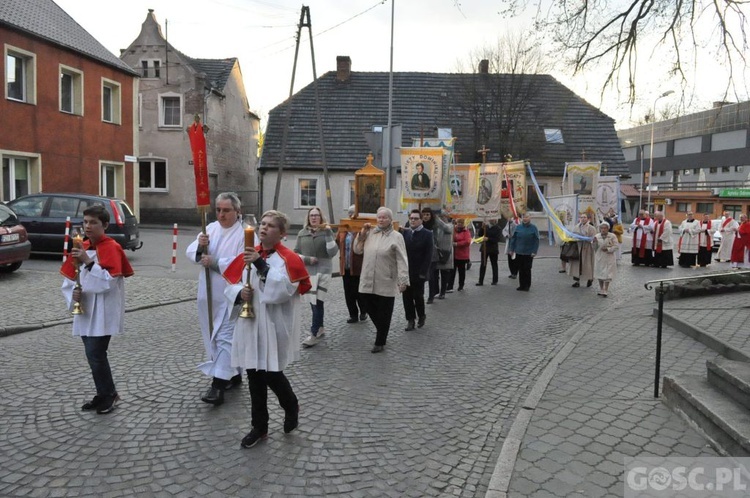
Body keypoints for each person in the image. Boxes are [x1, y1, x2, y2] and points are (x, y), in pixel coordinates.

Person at [223, 210, 312, 448]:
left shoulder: (288, 259)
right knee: (253, 374)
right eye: (262, 224)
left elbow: (283, 290)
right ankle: (259, 426)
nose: (263, 228)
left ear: (282, 233)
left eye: (271, 225)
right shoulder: (249, 255)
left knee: (272, 372)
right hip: (250, 322)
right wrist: (238, 293)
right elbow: (231, 284)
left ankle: (290, 404)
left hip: (273, 323)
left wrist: (261, 264)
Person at [61, 205, 134, 414]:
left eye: (93, 222)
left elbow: (107, 284)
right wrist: (72, 294)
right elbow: (68, 280)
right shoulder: (80, 246)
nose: (88, 226)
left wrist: (88, 261)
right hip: (85, 310)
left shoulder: (112, 247)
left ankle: (109, 395)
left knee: (96, 353)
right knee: (93, 355)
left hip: (103, 311)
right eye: (85, 222)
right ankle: (104, 393)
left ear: (105, 225)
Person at [186, 192, 246, 406]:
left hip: (231, 293)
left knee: (225, 337)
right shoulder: (209, 229)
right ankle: (235, 374)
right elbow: (191, 252)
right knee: (213, 333)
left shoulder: (244, 234)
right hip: (208, 292)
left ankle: (218, 386)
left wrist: (216, 261)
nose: (221, 214)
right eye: (218, 210)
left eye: (226, 210)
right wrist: (201, 246)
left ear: (237, 212)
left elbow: (242, 263)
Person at [354, 207, 409, 353]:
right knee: (367, 303)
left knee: (384, 311)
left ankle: (380, 342)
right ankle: (382, 329)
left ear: (390, 220)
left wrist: (403, 280)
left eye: (385, 217)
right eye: (379, 217)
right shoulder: (370, 232)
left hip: (386, 279)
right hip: (367, 277)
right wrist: (361, 235)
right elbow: (357, 250)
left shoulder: (397, 236)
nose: (381, 219)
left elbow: (402, 260)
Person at [294, 206, 338, 348]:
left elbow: (332, 252)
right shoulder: (302, 233)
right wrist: (306, 259)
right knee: (316, 302)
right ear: (308, 217)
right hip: (309, 273)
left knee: (317, 302)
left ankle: (313, 334)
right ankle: (320, 328)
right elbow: (295, 253)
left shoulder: (326, 231)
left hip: (323, 271)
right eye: (311, 215)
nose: (314, 218)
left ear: (321, 217)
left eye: (316, 215)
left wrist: (328, 233)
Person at [400, 209, 433, 331]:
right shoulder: (405, 233)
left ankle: (421, 315)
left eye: (415, 218)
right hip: (406, 272)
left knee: (418, 296)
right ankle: (410, 320)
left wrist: (423, 273)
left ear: (421, 220)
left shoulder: (427, 234)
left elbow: (428, 255)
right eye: (411, 218)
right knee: (406, 297)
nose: (413, 220)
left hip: (419, 272)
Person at [337, 205, 366, 324]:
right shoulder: (343, 229)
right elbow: (337, 242)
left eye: (353, 214)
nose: (351, 216)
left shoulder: (361, 229)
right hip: (346, 266)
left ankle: (363, 311)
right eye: (349, 214)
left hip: (358, 267)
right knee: (348, 293)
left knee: (359, 291)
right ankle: (353, 314)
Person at [422, 207, 453, 302]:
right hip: (421, 253)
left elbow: (448, 229)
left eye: (428, 215)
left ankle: (431, 296)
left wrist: (437, 218)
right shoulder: (419, 222)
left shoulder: (435, 223)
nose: (425, 217)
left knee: (432, 276)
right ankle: (422, 294)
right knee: (422, 276)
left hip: (433, 252)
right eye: (424, 215)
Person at [508, 212, 539, 291]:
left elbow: (536, 240)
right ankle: (521, 285)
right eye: (524, 217)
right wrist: (512, 249)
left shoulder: (534, 228)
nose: (525, 219)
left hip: (529, 252)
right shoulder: (518, 227)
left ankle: (527, 286)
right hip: (519, 251)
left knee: (527, 269)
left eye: (527, 217)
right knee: (521, 269)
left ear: (530, 218)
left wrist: (534, 251)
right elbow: (513, 239)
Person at [569, 213, 596, 288]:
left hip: (587, 249)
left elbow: (593, 238)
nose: (583, 219)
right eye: (581, 217)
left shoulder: (591, 228)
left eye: (584, 217)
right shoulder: (576, 227)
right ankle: (577, 281)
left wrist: (585, 238)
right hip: (578, 247)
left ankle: (590, 279)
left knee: (588, 265)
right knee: (577, 264)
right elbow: (572, 235)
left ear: (587, 218)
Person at [593, 222, 618, 297]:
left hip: (609, 257)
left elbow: (616, 246)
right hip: (599, 256)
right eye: (602, 228)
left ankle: (606, 289)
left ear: (608, 228)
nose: (603, 230)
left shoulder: (612, 236)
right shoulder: (597, 236)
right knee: (600, 272)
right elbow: (594, 247)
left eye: (605, 228)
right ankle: (601, 289)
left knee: (608, 274)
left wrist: (608, 249)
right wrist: (594, 243)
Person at [449, 218, 472, 291]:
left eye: (461, 223)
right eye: (458, 222)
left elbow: (467, 241)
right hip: (454, 254)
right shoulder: (453, 229)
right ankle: (450, 286)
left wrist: (457, 244)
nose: (459, 224)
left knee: (461, 271)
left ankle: (461, 286)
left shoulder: (466, 231)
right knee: (452, 271)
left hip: (462, 255)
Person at [477, 219, 502, 285]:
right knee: (483, 264)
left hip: (493, 249)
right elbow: (480, 234)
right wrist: (482, 228)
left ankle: (495, 280)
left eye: (493, 219)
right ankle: (480, 281)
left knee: (494, 264)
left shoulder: (498, 228)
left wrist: (488, 239)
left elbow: (497, 239)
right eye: (491, 219)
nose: (492, 220)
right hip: (484, 248)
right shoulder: (486, 227)